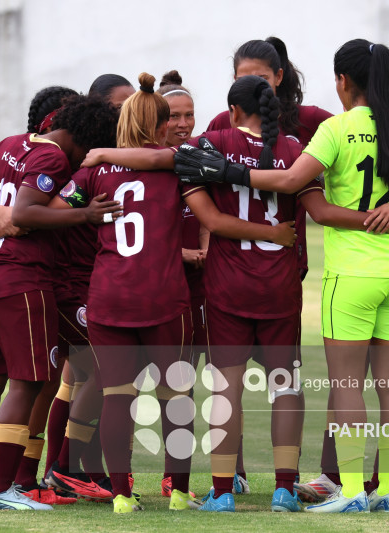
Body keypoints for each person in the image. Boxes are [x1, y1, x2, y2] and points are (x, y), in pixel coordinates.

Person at [172, 38, 389, 513]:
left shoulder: (337, 129)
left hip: (353, 273)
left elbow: (292, 183)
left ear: (343, 80)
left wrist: (229, 172)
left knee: (348, 385)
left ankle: (352, 490)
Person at [62, 73, 296, 514]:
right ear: (160, 124)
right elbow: (205, 210)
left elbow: (58, 207)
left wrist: (88, 209)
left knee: (117, 396)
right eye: (173, 118)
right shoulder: (178, 165)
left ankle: (121, 495)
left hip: (109, 295)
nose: (182, 124)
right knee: (176, 395)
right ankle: (178, 491)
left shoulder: (94, 171)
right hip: (164, 297)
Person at [0, 94, 121, 511]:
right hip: (21, 280)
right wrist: (85, 215)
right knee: (28, 383)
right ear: (87, 138)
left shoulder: (8, 144)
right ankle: (4, 488)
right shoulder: (53, 157)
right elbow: (28, 213)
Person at [205, 36, 333, 493]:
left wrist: (107, 155)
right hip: (278, 277)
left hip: (231, 278)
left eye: (259, 76)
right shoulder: (297, 149)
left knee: (226, 386)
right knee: (286, 384)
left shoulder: (215, 138)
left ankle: (223, 488)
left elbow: (204, 210)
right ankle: (283, 486)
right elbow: (319, 204)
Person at [42, 74, 136, 503]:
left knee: (83, 379)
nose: (125, 114)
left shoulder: (114, 158)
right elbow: (42, 209)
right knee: (100, 372)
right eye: (118, 107)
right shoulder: (85, 167)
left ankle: (76, 472)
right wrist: (2, 216)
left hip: (93, 283)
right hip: (76, 284)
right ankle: (62, 468)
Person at [157, 70, 203, 499]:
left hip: (198, 290)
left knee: (184, 382)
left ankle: (177, 478)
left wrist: (203, 248)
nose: (184, 124)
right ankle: (101, 475)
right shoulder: (145, 163)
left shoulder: (199, 159)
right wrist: (181, 254)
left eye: (190, 115)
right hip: (154, 289)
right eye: (174, 116)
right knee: (122, 387)